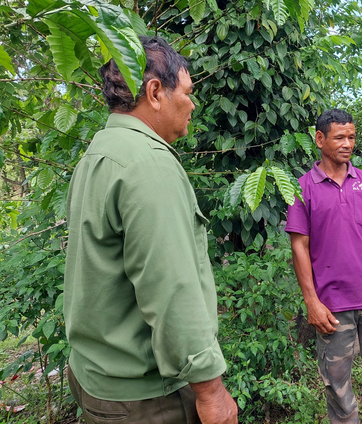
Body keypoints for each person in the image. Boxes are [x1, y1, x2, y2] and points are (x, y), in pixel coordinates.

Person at [64, 36, 237, 424]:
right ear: (155, 91)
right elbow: (171, 287)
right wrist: (211, 391)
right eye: (188, 92)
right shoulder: (148, 164)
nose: (192, 104)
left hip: (96, 378)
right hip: (144, 398)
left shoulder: (98, 154)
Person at [286, 109, 362, 424]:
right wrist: (311, 301)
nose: (347, 144)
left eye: (351, 137)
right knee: (337, 386)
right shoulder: (302, 188)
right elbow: (299, 245)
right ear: (320, 139)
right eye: (340, 137)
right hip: (331, 307)